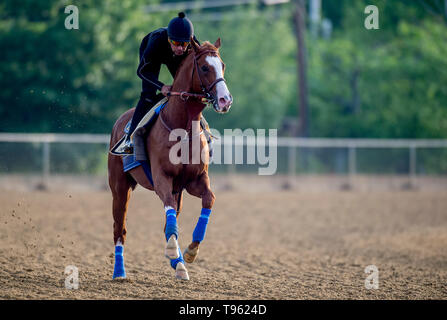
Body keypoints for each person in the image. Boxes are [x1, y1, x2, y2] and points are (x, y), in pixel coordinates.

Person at [122, 12, 200, 154]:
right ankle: (130, 138)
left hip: (176, 59)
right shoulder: (157, 41)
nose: (180, 48)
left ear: (190, 41)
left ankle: (203, 135)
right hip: (154, 53)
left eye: (184, 44)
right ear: (169, 40)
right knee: (148, 96)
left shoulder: (193, 45)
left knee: (188, 95)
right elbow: (141, 72)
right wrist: (161, 86)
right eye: (176, 43)